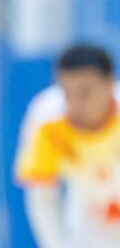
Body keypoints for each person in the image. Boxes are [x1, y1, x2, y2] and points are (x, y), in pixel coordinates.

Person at [16, 44, 120, 248]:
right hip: (88, 216)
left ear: (109, 84)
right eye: (66, 92)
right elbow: (42, 199)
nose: (74, 104)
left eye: (84, 93)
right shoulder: (47, 120)